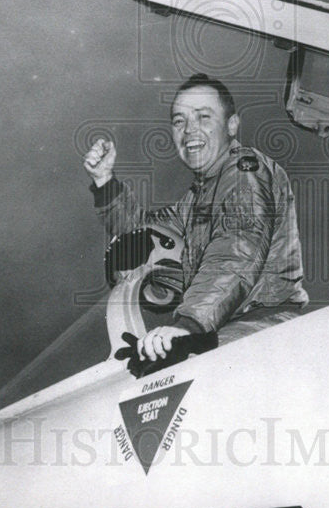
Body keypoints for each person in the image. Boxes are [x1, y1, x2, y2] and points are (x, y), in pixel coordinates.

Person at [83, 74, 308, 364]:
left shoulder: (243, 171)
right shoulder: (198, 199)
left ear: (231, 125)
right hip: (228, 329)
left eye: (203, 117)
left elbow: (235, 253)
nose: (189, 130)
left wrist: (187, 325)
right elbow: (141, 236)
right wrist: (105, 182)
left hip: (263, 330)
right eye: (179, 121)